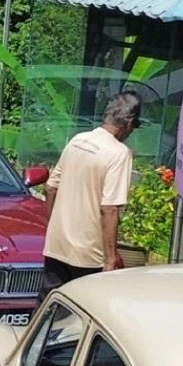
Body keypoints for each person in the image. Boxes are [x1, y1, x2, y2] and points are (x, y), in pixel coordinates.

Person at [41, 92, 141, 296]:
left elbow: (50, 187)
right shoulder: (118, 153)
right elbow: (110, 209)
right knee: (82, 314)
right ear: (129, 124)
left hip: (57, 245)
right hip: (88, 254)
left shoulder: (78, 140)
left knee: (49, 308)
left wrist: (56, 226)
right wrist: (110, 259)